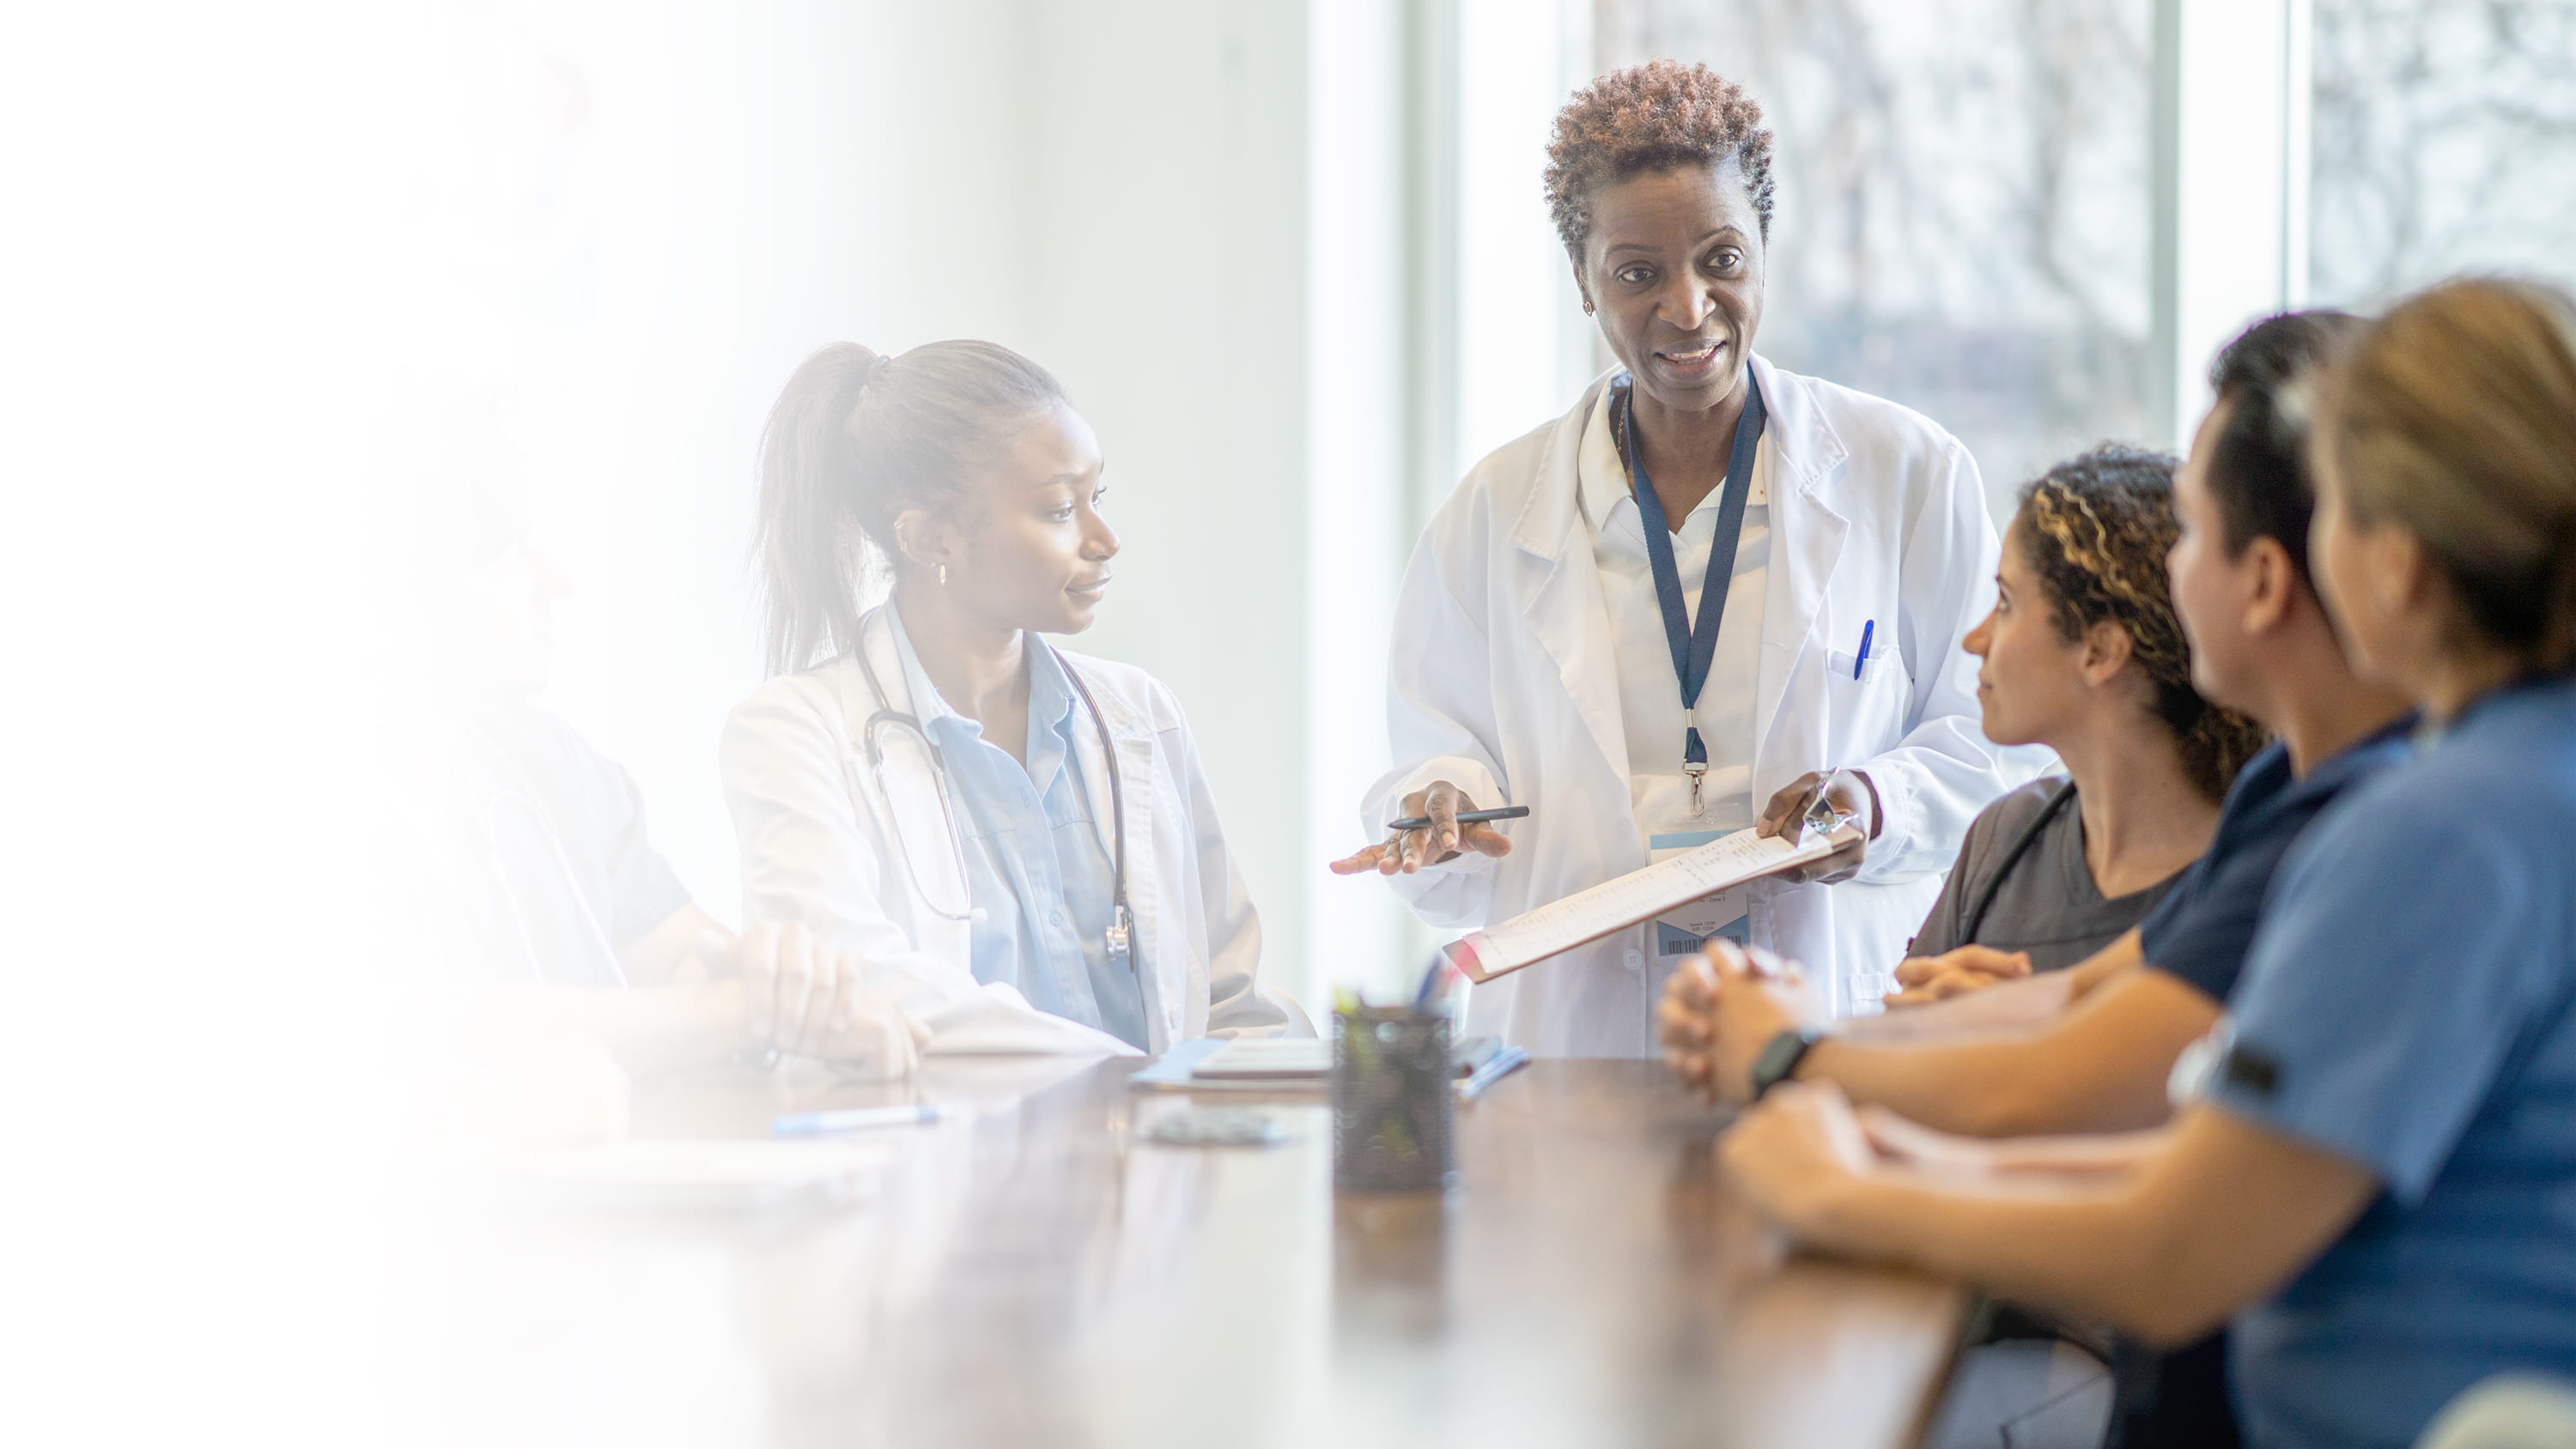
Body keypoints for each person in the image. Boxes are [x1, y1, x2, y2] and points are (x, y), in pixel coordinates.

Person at [1719, 277, 2576, 1449]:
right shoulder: (2512, 779)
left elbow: (2175, 1248)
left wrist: (1838, 1178)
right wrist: (1897, 1145)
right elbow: (2181, 1145)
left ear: (2398, 562)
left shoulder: (2440, 829)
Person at [1329, 60, 2033, 1051]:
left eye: (1721, 259)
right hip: (1574, 1036)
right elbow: (1440, 753)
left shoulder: (1906, 473)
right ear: (1583, 283)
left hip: (1822, 1011)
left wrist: (1877, 801)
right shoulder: (1493, 512)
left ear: (1763, 257)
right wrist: (1439, 803)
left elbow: (2003, 742)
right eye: (1637, 272)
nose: (1689, 307)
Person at [721, 340, 1305, 1055]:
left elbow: (1224, 1001)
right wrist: (1135, 1079)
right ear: (930, 536)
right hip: (946, 1160)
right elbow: (855, 986)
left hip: (1158, 1159)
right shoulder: (793, 735)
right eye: (1060, 509)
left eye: (1098, 499)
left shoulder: (1140, 716)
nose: (1105, 539)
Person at [421, 453, 922, 1087]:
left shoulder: (552, 763)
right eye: (503, 555)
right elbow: (417, 1031)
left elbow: (687, 961)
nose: (555, 582)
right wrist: (745, 1011)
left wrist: (784, 984)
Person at [1892, 446, 2265, 1001]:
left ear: (2100, 650)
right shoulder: (2007, 837)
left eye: (2005, 603)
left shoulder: (2254, 880)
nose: (1974, 641)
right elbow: (1897, 1054)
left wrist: (1986, 1039)